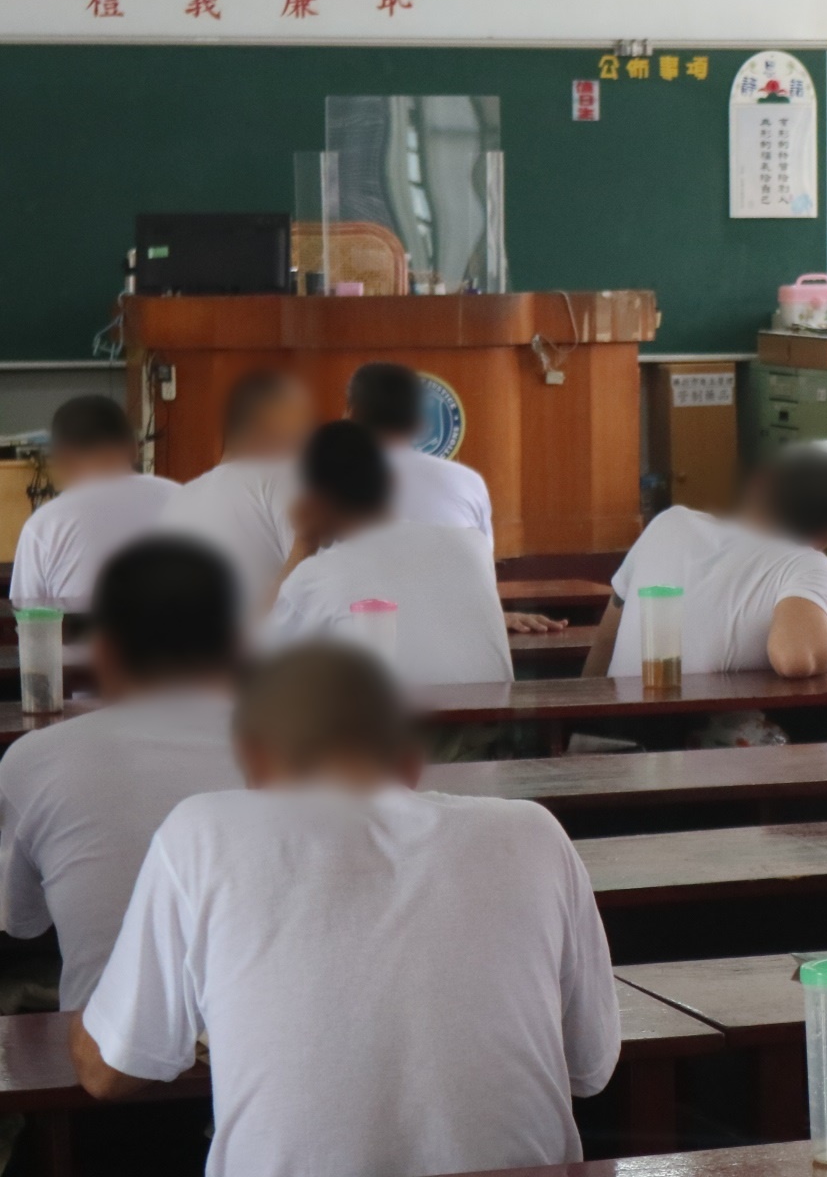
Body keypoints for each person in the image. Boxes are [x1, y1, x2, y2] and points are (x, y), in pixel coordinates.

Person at [73, 640, 620, 1177]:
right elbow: (590, 1068)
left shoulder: (201, 832)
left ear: (256, 763)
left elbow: (107, 1071)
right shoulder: (534, 833)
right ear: (410, 764)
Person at [0, 536, 243, 1010]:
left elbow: (24, 922)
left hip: (105, 1060)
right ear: (238, 648)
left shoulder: (33, 759)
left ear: (104, 654)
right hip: (268, 1051)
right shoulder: (307, 749)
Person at [268, 421, 512, 687]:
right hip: (498, 725)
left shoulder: (313, 577)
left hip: (394, 727)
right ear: (391, 484)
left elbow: (263, 661)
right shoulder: (471, 544)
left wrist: (303, 544)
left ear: (312, 501)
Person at [583, 446, 827, 679]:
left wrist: (582, 724)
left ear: (757, 486)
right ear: (824, 539)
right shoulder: (807, 564)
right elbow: (794, 661)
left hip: (612, 725)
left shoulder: (669, 522)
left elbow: (608, 635)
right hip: (692, 732)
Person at [156, 370, 312, 622]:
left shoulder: (177, 500)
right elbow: (312, 581)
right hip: (267, 655)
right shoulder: (281, 476)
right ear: (269, 426)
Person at [9, 396, 177, 611]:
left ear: (62, 457)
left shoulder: (45, 524)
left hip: (83, 644)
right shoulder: (185, 498)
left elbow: (27, 620)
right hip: (182, 643)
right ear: (134, 448)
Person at [346, 361, 493, 542]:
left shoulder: (310, 481)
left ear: (351, 416)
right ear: (419, 425)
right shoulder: (470, 483)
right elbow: (482, 563)